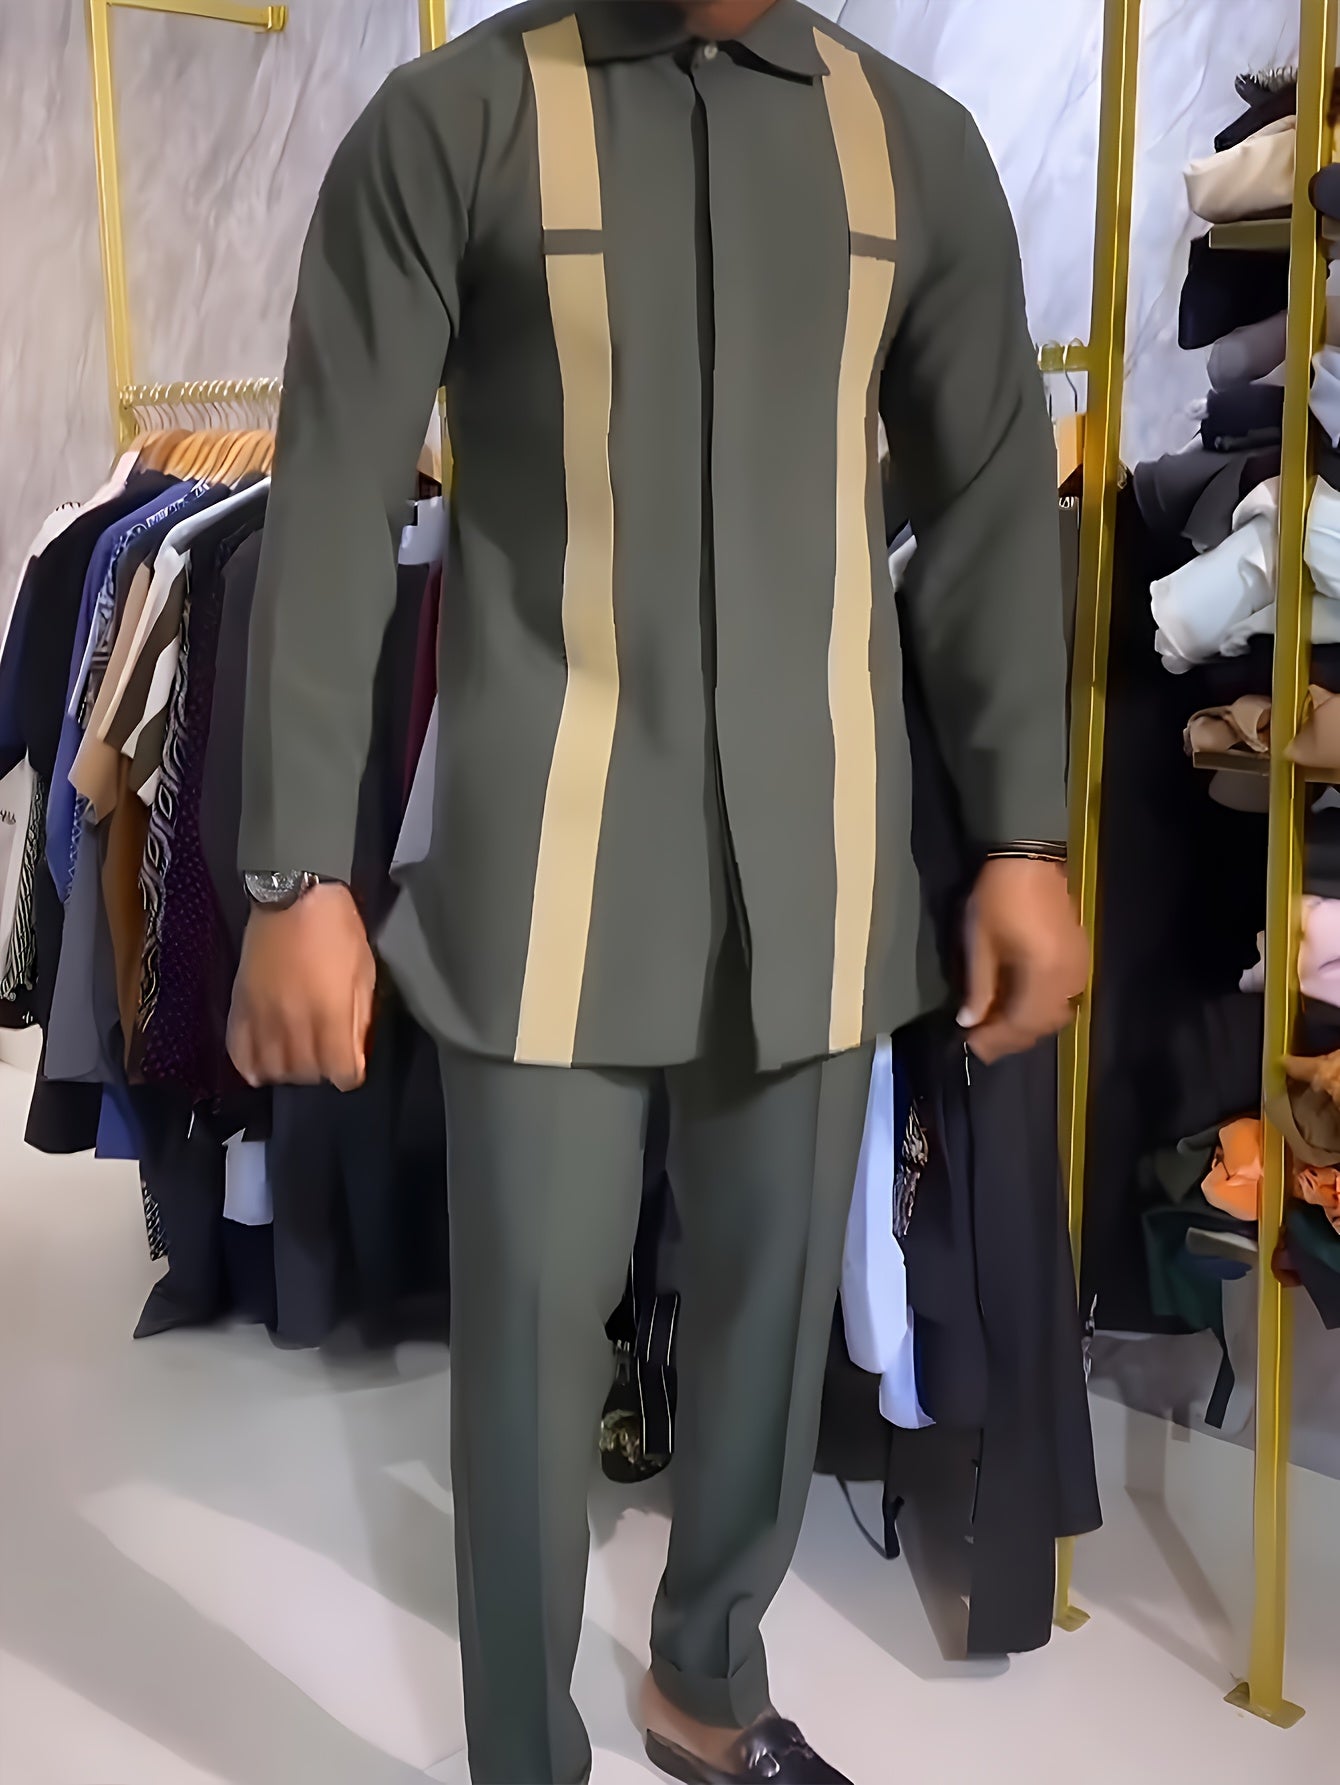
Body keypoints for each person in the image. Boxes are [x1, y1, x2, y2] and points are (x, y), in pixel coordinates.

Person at [227, 1, 1089, 1779]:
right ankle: (520, 1756)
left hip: (820, 857)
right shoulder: (453, 124)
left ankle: (709, 1679)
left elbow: (992, 500)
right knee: (529, 1358)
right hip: (542, 867)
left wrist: (1025, 837)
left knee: (770, 1326)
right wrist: (295, 866)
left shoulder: (910, 148)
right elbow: (332, 493)